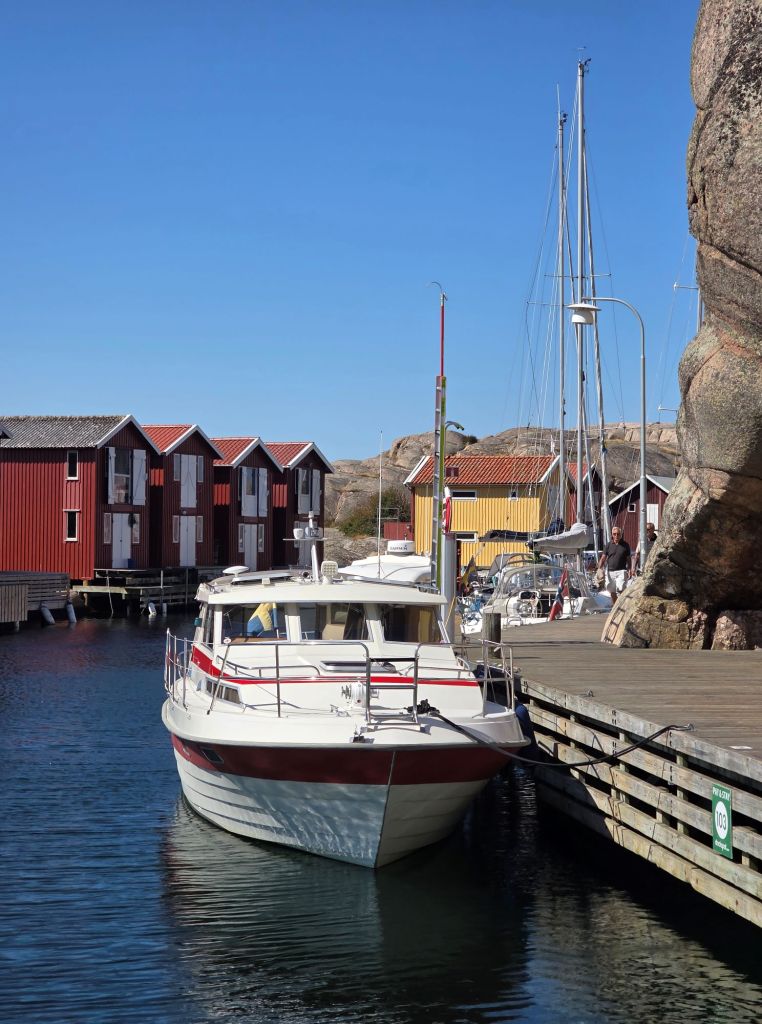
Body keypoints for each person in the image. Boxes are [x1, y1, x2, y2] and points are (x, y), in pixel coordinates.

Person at [597, 526, 632, 600]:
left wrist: (630, 569)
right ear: (612, 535)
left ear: (621, 535)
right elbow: (603, 558)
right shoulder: (608, 545)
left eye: (618, 534)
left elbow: (629, 559)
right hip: (610, 571)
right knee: (612, 591)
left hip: (621, 571)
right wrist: (599, 569)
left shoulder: (625, 545)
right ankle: (615, 608)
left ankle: (622, 605)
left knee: (621, 589)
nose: (616, 536)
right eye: (614, 534)